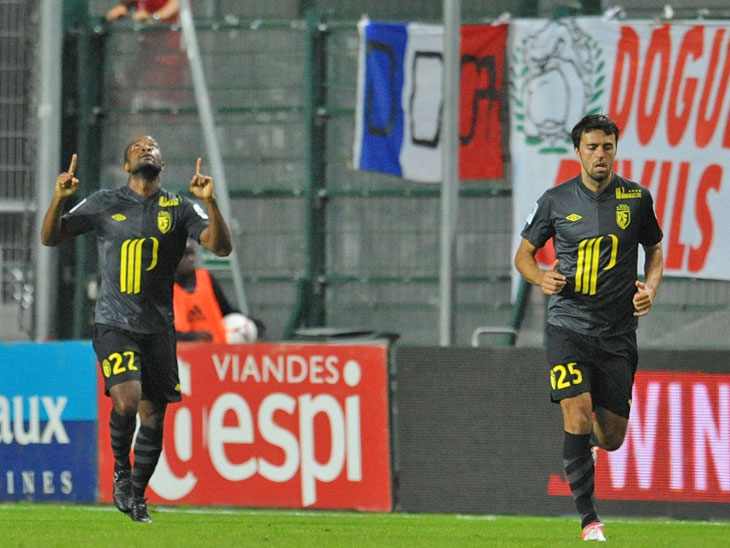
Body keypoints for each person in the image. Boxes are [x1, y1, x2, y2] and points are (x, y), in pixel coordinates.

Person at [41, 136, 232, 523]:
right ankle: (120, 472)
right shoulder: (104, 202)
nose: (146, 149)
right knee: (127, 401)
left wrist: (211, 202)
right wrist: (59, 198)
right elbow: (51, 236)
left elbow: (221, 247)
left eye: (153, 146)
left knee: (154, 418)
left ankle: (138, 495)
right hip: (114, 323)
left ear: (162, 163)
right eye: (137, 147)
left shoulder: (180, 207)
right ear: (127, 166)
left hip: (158, 329)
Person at [514, 114, 663, 542]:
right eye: (593, 147)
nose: (601, 155)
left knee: (612, 437)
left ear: (615, 149)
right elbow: (524, 257)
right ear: (577, 151)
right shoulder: (555, 200)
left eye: (607, 147)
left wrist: (650, 289)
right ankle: (589, 521)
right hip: (568, 326)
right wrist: (540, 277)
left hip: (617, 333)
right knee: (576, 412)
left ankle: (586, 449)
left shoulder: (636, 198)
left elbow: (654, 249)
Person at [174, 241, 265, 343]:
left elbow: (225, 310)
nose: (191, 259)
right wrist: (191, 337)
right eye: (185, 255)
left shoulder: (205, 278)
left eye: (192, 254)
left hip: (216, 348)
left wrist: (253, 325)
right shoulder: (164, 287)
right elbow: (162, 331)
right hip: (183, 351)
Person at [106, 0, 179, 23]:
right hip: (147, 39)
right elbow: (126, 4)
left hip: (169, 34)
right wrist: (122, 7)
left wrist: (152, 17)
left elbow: (175, 6)